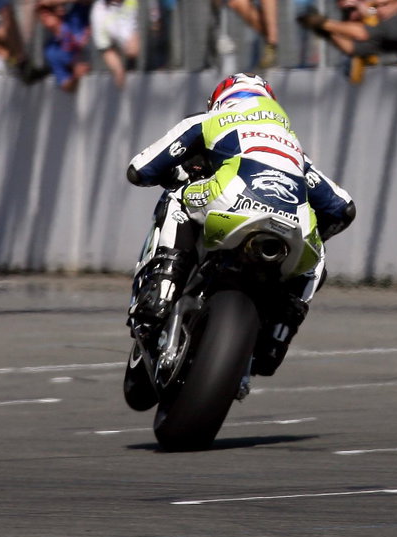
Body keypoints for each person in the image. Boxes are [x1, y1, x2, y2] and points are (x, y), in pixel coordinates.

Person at [122, 74, 356, 398]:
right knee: (316, 260)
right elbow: (344, 209)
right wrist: (316, 236)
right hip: (293, 222)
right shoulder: (291, 144)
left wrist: (171, 175)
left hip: (230, 201)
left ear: (220, 100)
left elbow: (140, 169)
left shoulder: (209, 120)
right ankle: (278, 334)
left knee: (179, 198)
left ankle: (162, 289)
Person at [298, 0, 397, 69]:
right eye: (346, 9)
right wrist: (326, 31)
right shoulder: (377, 20)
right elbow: (354, 48)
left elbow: (364, 32)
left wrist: (324, 23)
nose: (351, 12)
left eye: (353, 6)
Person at [89, 0, 141, 87]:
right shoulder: (98, 10)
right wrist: (118, 69)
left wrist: (141, 37)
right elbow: (104, 47)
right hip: (131, 62)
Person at [34, 0, 91, 93]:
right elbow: (66, 85)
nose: (44, 13)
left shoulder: (75, 17)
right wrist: (76, 77)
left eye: (48, 9)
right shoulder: (51, 50)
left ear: (60, 10)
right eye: (40, 12)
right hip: (91, 85)